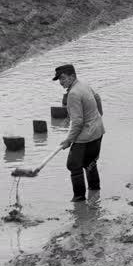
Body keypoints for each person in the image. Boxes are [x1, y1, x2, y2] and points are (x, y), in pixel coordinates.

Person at [53, 64, 105, 202]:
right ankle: (95, 192)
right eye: (59, 79)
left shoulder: (73, 94)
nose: (61, 82)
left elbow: (77, 122)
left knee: (73, 165)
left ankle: (79, 199)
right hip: (98, 131)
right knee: (90, 163)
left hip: (86, 137)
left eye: (63, 78)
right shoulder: (84, 84)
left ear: (72, 76)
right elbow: (98, 98)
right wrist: (99, 116)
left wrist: (68, 140)